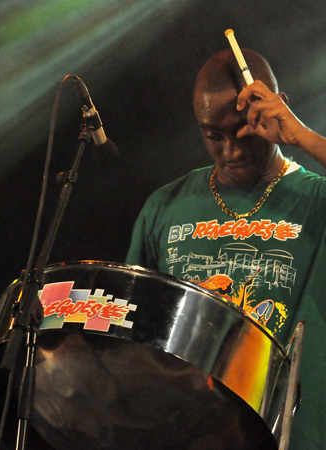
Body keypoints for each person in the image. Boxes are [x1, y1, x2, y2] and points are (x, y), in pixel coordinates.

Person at [126, 48, 326, 448]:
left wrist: (301, 135)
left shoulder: (317, 199)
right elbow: (132, 335)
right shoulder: (164, 206)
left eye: (242, 131)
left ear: (276, 109)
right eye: (213, 136)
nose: (230, 151)